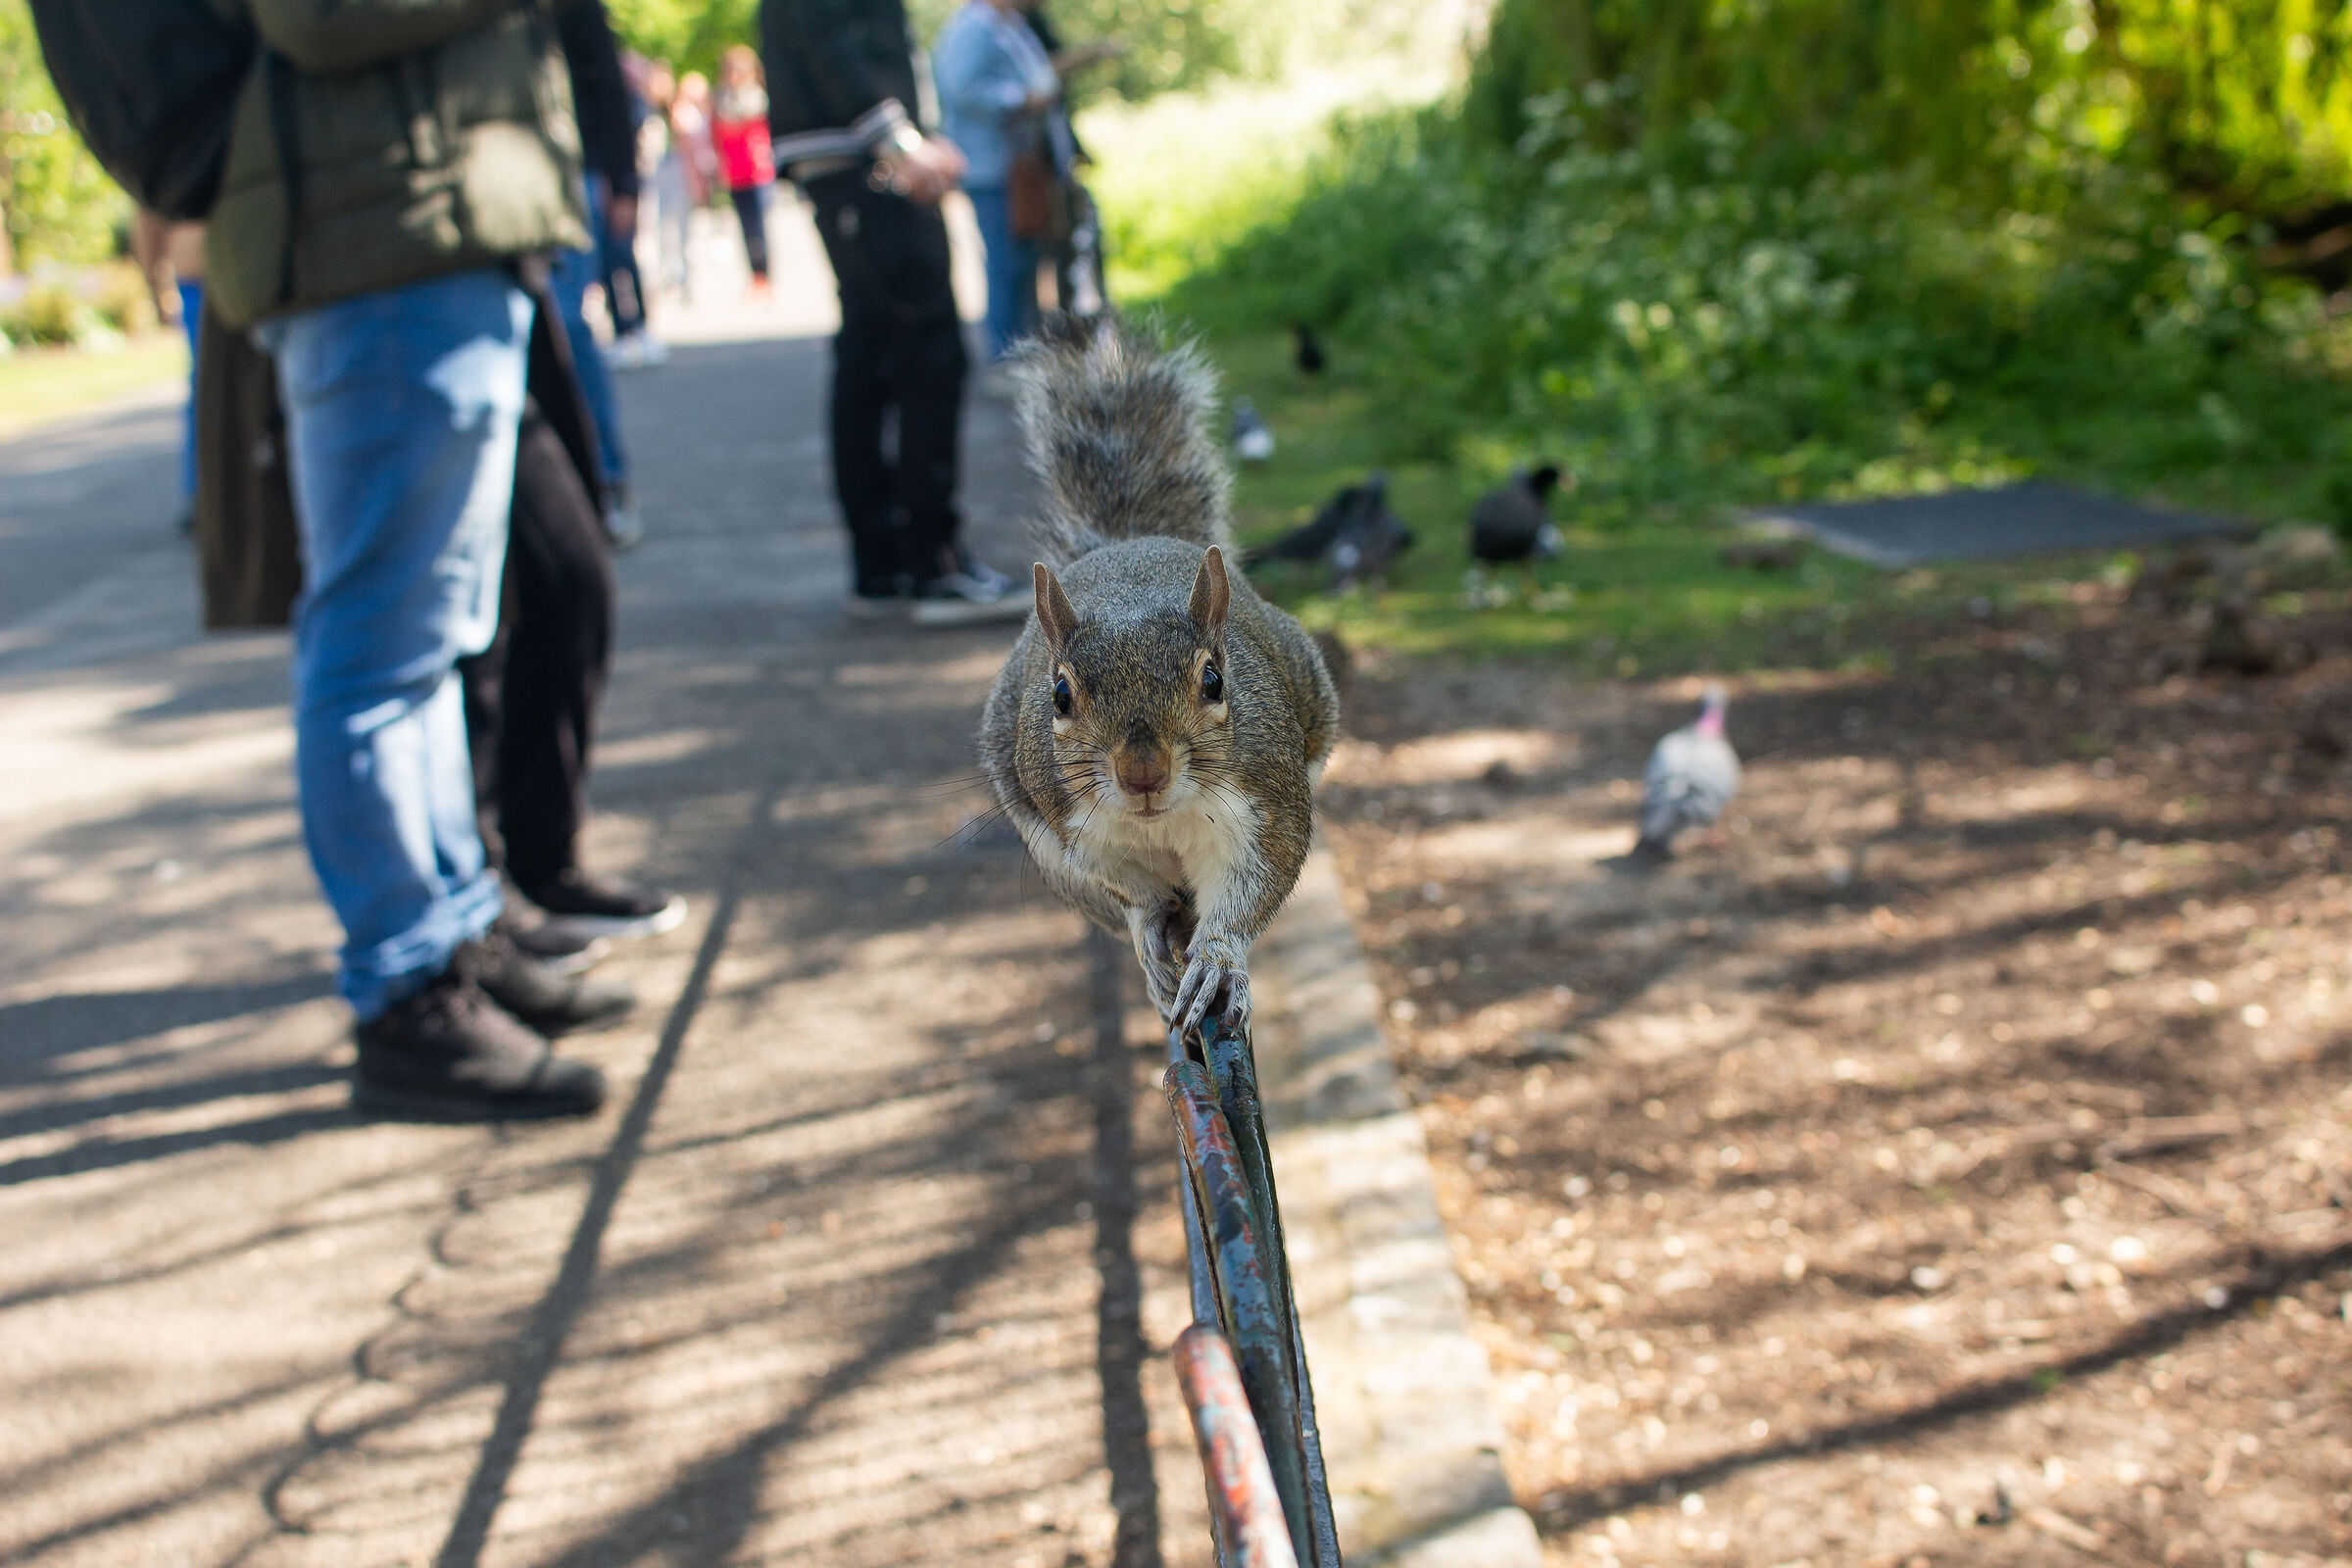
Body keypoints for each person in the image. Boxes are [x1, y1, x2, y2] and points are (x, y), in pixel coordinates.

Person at [207, 0, 614, 1120]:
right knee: (380, 649)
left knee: (428, 645)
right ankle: (406, 989)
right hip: (378, 242)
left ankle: (452, 934)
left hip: (414, 234)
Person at [762, 0, 1026, 624]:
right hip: (869, 168)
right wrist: (901, 141)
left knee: (869, 361)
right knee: (923, 359)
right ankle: (932, 564)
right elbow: (832, 31)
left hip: (850, 164)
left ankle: (885, 566)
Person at [552, 0, 648, 551]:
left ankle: (604, 478)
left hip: (572, 174)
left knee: (567, 326)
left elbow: (605, 79)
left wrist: (624, 181)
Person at [932, 0, 1068, 362]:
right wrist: (1020, 99)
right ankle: (1004, 355)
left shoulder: (1011, 24)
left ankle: (1024, 347)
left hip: (1018, 164)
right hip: (992, 166)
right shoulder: (974, 28)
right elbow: (960, 88)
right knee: (1005, 264)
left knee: (1023, 262)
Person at [131, 212, 207, 529]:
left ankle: (203, 490)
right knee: (205, 389)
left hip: (214, 269)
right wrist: (154, 281)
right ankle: (200, 490)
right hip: (199, 276)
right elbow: (148, 215)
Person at [712, 46, 777, 299]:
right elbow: (721, 132)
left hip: (758, 172)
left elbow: (744, 123)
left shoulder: (757, 96)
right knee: (746, 228)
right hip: (735, 172)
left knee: (760, 228)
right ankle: (755, 276)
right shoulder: (722, 99)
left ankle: (764, 276)